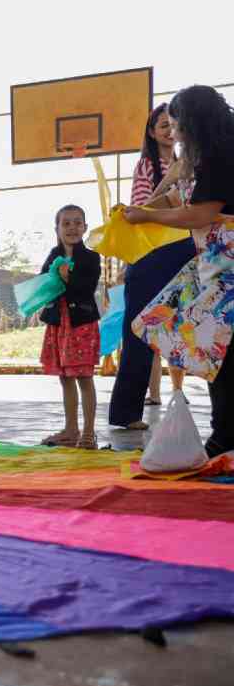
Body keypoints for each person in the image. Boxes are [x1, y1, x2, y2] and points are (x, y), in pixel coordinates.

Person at [127, 85, 234, 459]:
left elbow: (200, 214)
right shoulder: (199, 156)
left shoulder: (223, 153)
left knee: (220, 352)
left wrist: (147, 215)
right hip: (213, 264)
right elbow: (180, 198)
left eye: (176, 124)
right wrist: (137, 213)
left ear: (192, 121)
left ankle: (225, 436)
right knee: (202, 344)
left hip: (228, 268)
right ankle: (224, 435)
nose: (173, 132)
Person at [109, 104, 196, 430]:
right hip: (152, 254)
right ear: (151, 131)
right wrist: (169, 181)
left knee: (180, 326)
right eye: (162, 124)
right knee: (137, 330)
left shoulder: (186, 164)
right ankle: (126, 412)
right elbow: (142, 210)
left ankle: (177, 393)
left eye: (172, 124)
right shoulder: (148, 164)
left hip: (184, 249)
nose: (168, 129)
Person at [38, 205, 102, 450]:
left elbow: (86, 289)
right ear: (57, 229)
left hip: (81, 324)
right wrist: (54, 274)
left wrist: (68, 278)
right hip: (58, 324)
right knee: (65, 378)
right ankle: (71, 429)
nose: (72, 228)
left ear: (85, 227)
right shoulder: (53, 254)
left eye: (77, 223)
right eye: (66, 223)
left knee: (84, 377)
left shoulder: (91, 257)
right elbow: (44, 282)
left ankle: (88, 432)